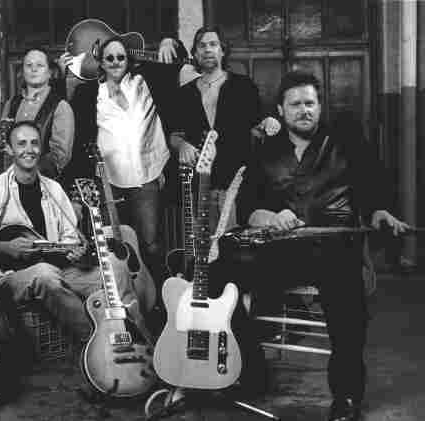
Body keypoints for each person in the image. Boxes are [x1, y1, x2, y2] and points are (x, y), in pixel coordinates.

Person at [228, 70, 409, 421]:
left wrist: (379, 212)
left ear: (320, 106)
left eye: (310, 103)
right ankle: (250, 371)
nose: (304, 110)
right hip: (282, 250)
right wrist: (270, 216)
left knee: (347, 299)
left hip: (333, 249)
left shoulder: (346, 144)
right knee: (219, 275)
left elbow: (372, 188)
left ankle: (347, 396)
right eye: (295, 104)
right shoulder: (264, 152)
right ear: (280, 110)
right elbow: (250, 208)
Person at [0, 120, 153, 343]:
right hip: (12, 277)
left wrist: (78, 254)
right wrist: (3, 247)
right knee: (45, 273)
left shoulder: (53, 189)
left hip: (62, 269)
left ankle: (134, 334)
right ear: (9, 149)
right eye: (22, 143)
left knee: (116, 267)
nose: (29, 149)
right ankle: (95, 340)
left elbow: (70, 238)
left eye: (35, 143)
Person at [63, 36, 185, 308]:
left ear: (129, 59)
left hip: (145, 175)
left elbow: (177, 65)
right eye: (109, 58)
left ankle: (159, 304)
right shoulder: (88, 94)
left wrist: (169, 42)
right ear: (101, 63)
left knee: (150, 243)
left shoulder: (146, 82)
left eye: (121, 57)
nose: (116, 62)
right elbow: (79, 138)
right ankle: (124, 303)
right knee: (114, 247)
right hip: (107, 180)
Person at [169, 26, 278, 230]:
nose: (207, 49)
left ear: (222, 51)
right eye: (202, 46)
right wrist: (181, 145)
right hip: (199, 188)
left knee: (233, 244)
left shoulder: (243, 86)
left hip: (238, 187)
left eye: (213, 44)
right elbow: (174, 134)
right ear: (195, 54)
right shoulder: (184, 94)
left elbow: (258, 124)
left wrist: (268, 123)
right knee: (203, 245)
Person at [0, 48, 74, 180]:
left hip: (41, 183)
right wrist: (1, 142)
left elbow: (59, 157)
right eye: (29, 65)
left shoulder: (60, 106)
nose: (33, 69)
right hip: (8, 181)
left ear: (49, 73)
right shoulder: (12, 103)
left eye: (40, 65)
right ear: (22, 72)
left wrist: (24, 173)